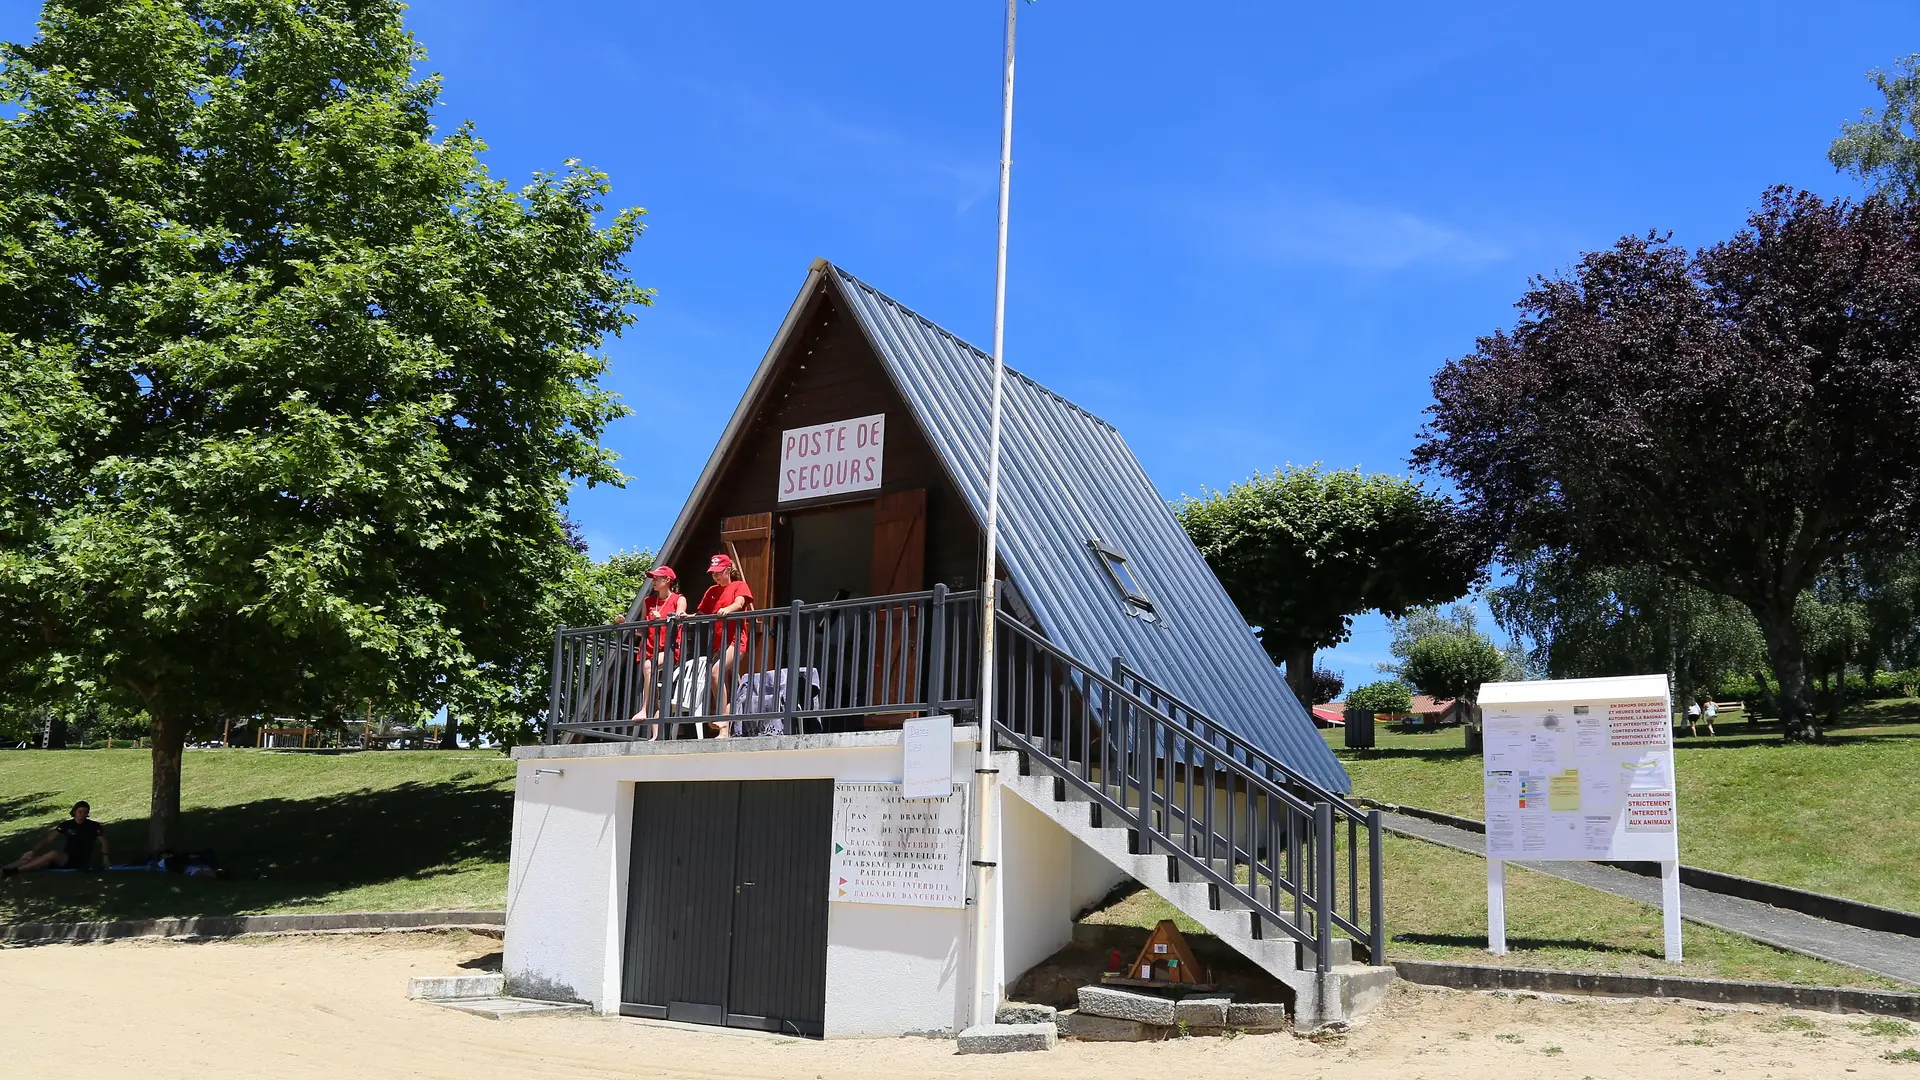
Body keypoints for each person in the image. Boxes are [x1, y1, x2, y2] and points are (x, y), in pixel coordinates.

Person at [697, 553, 754, 735]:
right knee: (731, 689)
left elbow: (739, 603)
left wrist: (726, 610)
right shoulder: (712, 591)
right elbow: (700, 614)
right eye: (713, 573)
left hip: (735, 641)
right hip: (717, 645)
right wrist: (685, 617)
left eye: (719, 572)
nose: (716, 576)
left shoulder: (739, 585)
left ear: (728, 569)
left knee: (716, 672)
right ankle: (725, 732)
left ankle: (721, 717)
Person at [631, 565, 686, 729]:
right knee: (653, 693)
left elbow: (679, 619)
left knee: (649, 666)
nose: (653, 581)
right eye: (653, 578)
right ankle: (656, 735)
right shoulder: (648, 601)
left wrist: (662, 618)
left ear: (667, 580)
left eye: (657, 578)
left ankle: (644, 709)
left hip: (668, 649)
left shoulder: (678, 599)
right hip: (648, 648)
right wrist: (625, 625)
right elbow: (642, 630)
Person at [3, 801, 107, 878]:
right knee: (33, 859)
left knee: (53, 853)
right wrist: (32, 851)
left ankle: (16, 871)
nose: (82, 814)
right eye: (80, 811)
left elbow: (104, 842)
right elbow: (48, 839)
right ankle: (4, 871)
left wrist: (105, 857)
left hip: (80, 861)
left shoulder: (93, 826)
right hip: (65, 859)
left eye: (85, 812)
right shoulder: (66, 825)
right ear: (74, 811)